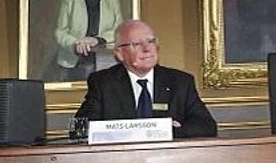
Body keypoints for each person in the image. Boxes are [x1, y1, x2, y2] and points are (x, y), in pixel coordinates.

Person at [76, 20, 218, 138]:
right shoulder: (103, 82)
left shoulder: (180, 82)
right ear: (119, 53)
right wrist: (134, 132)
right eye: (137, 44)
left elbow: (207, 126)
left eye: (151, 41)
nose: (147, 48)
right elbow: (80, 129)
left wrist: (168, 132)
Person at [54, 0, 123, 82]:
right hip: (72, 61)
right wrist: (77, 43)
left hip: (104, 60)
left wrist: (96, 39)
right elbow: (60, 32)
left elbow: (118, 29)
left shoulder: (112, 0)